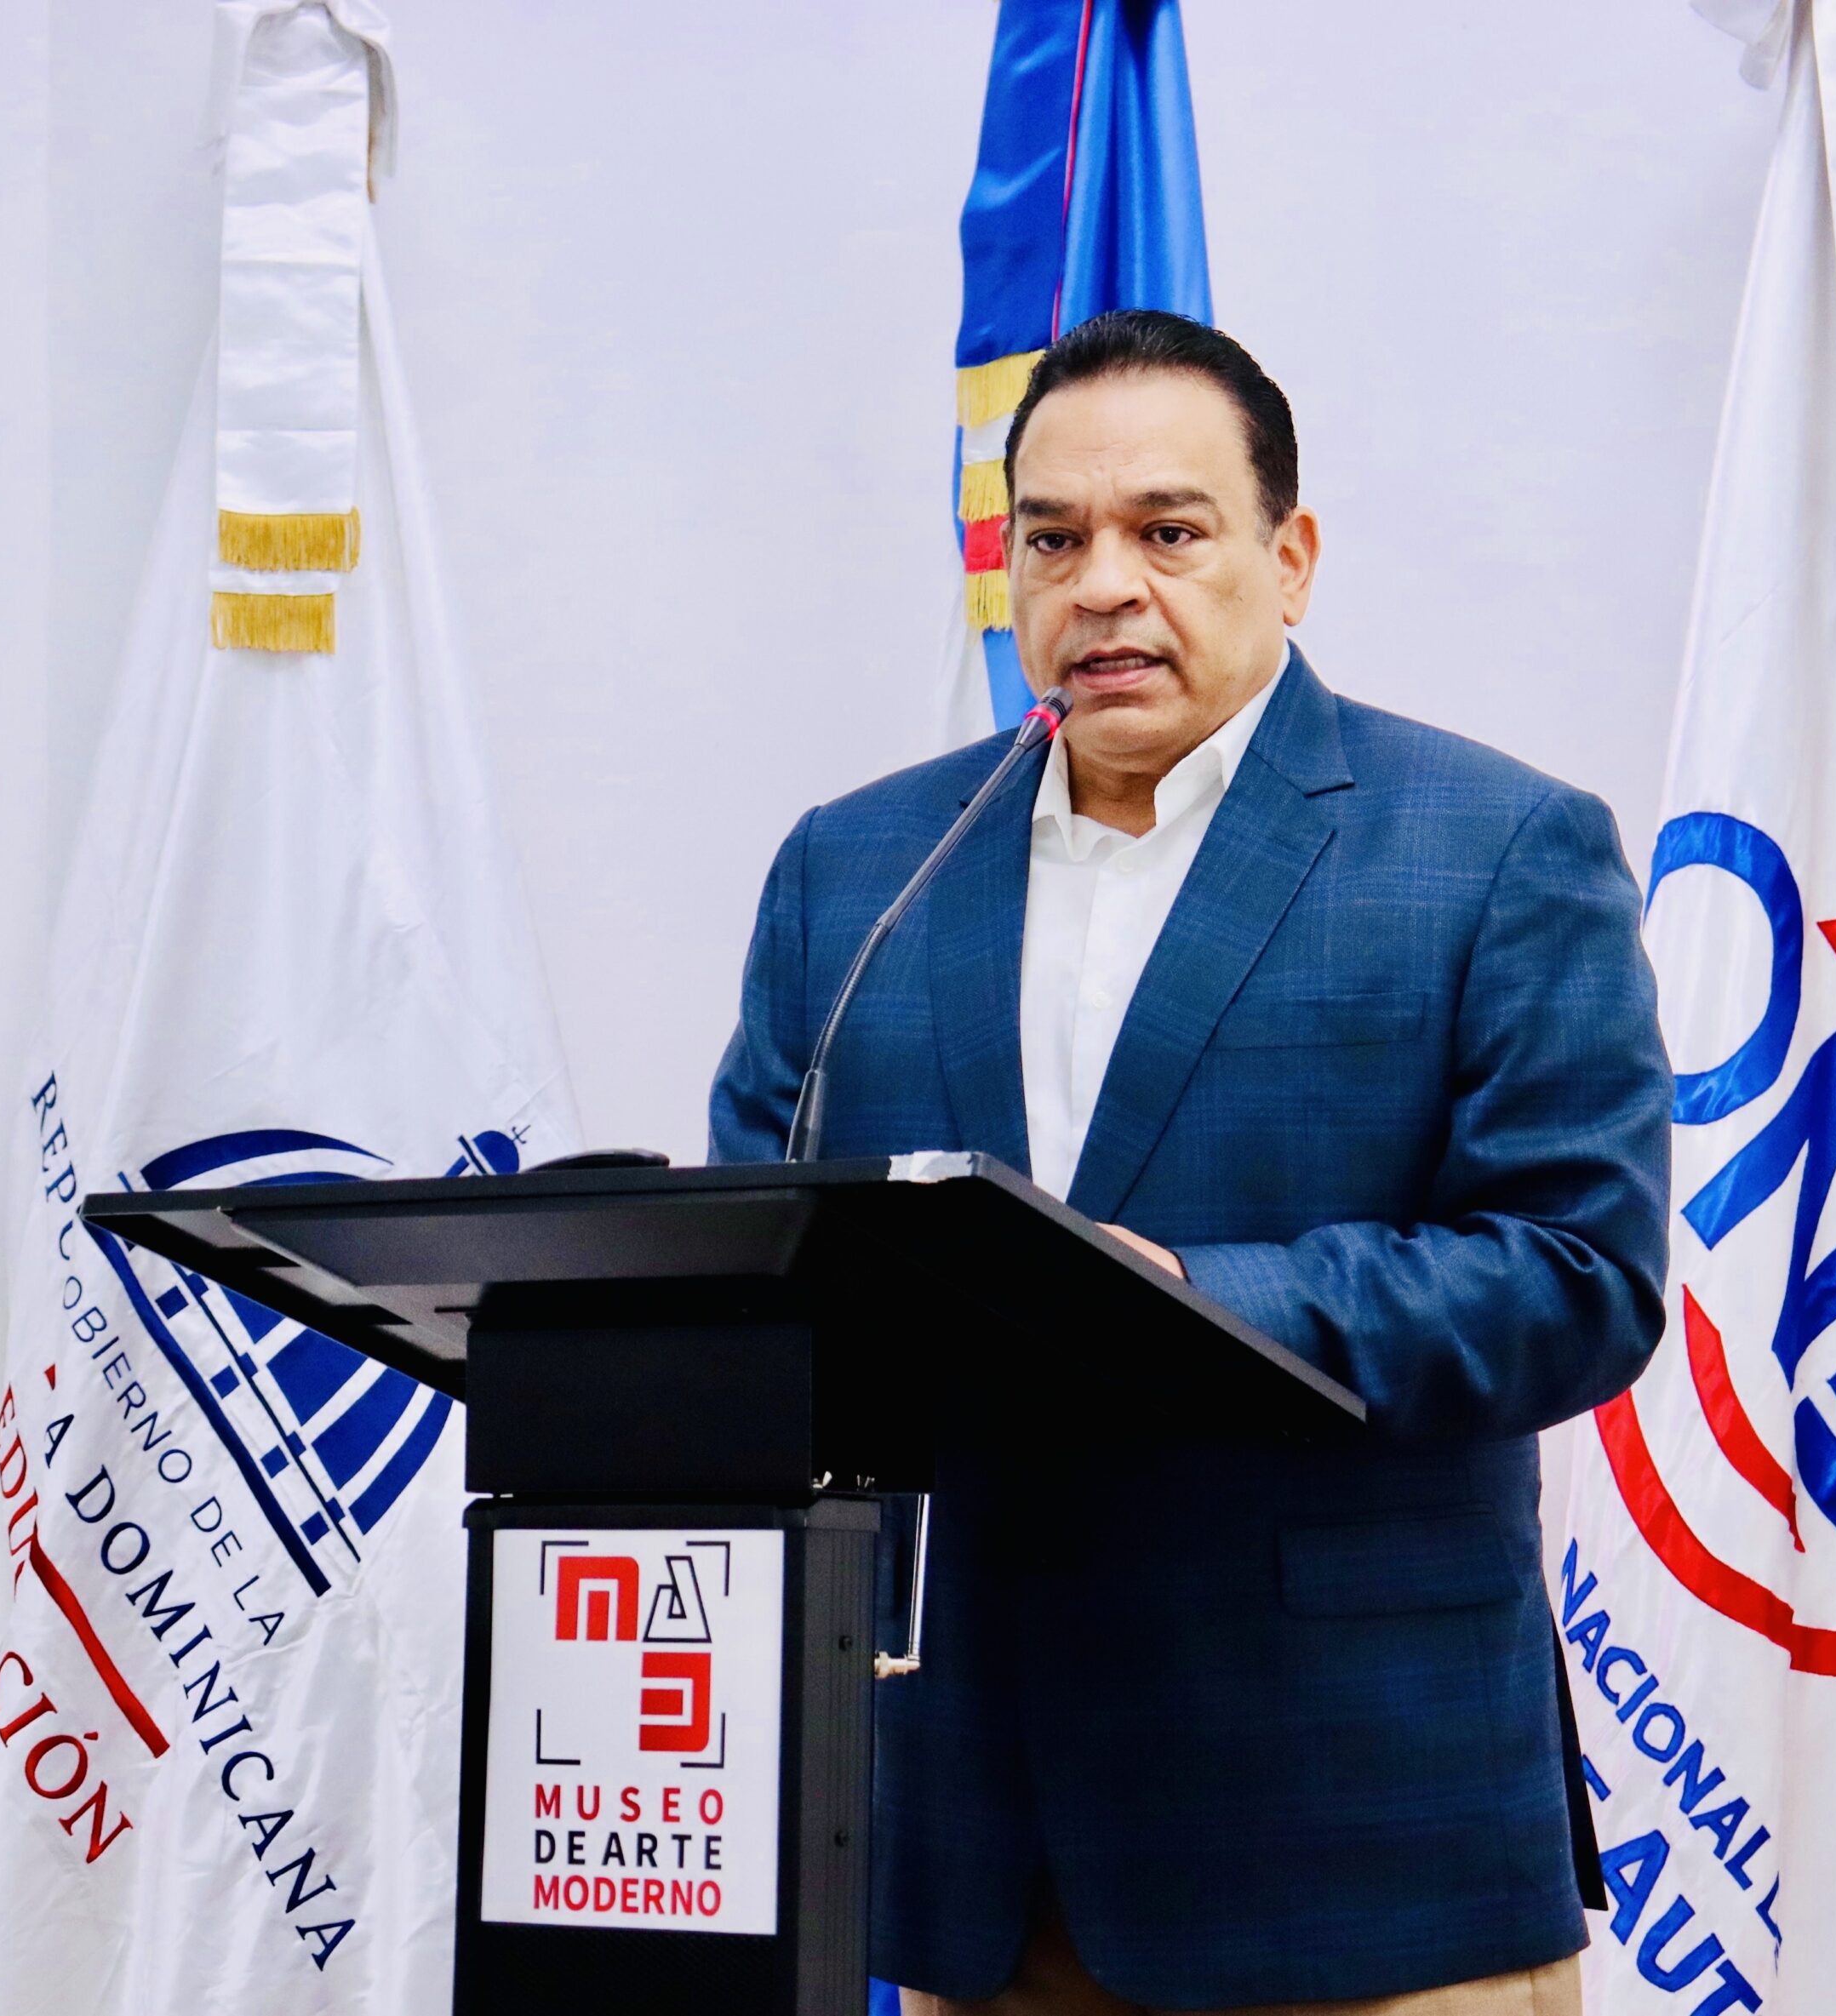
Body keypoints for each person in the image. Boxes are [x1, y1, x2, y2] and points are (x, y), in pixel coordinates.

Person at [709, 310, 1671, 2016]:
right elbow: (764, 1265)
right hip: (977, 1856)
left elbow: (1576, 1278)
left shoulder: (1495, 849)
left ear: (1288, 560)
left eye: (1167, 530)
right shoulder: (855, 872)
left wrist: (1188, 1302)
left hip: (1359, 1848)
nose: (1103, 587)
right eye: (1052, 540)